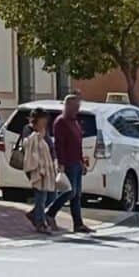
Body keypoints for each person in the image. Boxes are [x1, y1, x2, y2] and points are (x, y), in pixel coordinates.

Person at [44, 94, 92, 234]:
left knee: (77, 195)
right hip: (68, 163)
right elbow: (59, 145)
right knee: (70, 191)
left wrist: (82, 162)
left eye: (78, 107)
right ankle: (50, 212)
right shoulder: (61, 122)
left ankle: (78, 224)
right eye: (75, 107)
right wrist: (61, 163)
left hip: (76, 162)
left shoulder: (75, 122)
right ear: (68, 106)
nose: (77, 109)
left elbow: (78, 144)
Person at [18, 113, 66, 235]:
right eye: (43, 120)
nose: (45, 122)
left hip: (48, 167)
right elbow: (28, 146)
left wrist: (56, 161)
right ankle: (40, 223)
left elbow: (51, 147)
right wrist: (38, 136)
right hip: (36, 168)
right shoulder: (28, 129)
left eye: (46, 120)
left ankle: (34, 214)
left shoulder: (45, 130)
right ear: (37, 119)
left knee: (52, 195)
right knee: (41, 196)